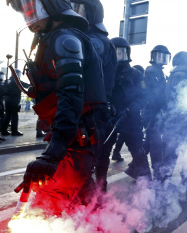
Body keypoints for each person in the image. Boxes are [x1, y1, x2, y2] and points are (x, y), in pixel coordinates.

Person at [6, 0, 114, 233]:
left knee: (40, 217)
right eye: (24, 10)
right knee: (87, 199)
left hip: (77, 140)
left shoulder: (65, 39)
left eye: (31, 8)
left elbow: (71, 97)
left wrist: (52, 155)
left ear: (51, 6)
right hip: (75, 137)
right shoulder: (53, 37)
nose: (27, 16)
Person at [70, 0, 118, 193]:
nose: (73, 12)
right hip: (87, 111)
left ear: (92, 13)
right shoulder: (90, 38)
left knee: (81, 167)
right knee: (80, 165)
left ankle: (93, 214)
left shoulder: (94, 41)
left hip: (90, 112)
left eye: (78, 8)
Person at [107, 37, 152, 182]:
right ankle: (98, 193)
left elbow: (144, 96)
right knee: (101, 155)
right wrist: (108, 107)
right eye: (115, 52)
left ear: (127, 53)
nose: (118, 55)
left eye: (121, 52)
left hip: (130, 118)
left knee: (138, 153)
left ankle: (147, 185)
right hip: (109, 118)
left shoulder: (136, 74)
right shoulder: (104, 72)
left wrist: (130, 110)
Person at [160, 51, 187, 192]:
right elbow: (186, 100)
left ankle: (164, 183)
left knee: (170, 154)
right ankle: (186, 182)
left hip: (172, 120)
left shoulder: (174, 75)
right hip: (182, 120)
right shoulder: (182, 76)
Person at [143, 45, 171, 181]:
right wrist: (164, 107)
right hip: (152, 113)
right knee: (155, 145)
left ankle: (134, 168)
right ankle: (157, 173)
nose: (162, 59)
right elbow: (156, 94)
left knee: (149, 143)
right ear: (153, 57)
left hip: (155, 112)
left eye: (164, 56)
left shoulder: (159, 72)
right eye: (159, 56)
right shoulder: (152, 71)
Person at [1, 69, 29, 136]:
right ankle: (14, 131)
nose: (19, 75)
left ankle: (3, 130)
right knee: (14, 116)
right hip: (14, 100)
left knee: (7, 116)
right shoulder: (16, 81)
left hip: (7, 100)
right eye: (19, 74)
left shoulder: (7, 81)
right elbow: (25, 85)